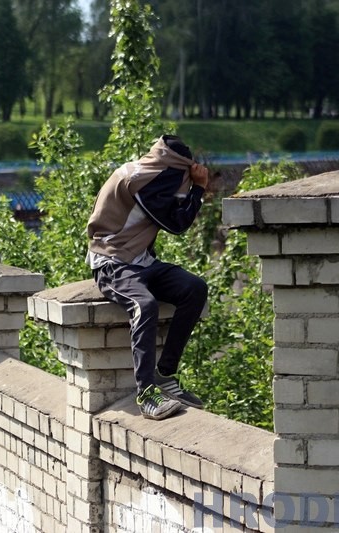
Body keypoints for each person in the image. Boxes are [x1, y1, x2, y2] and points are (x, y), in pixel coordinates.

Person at [86, 135, 209, 420]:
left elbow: (171, 212)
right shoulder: (142, 179)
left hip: (141, 260)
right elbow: (177, 223)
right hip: (111, 262)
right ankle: (146, 392)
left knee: (194, 288)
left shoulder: (154, 172)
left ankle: (165, 375)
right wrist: (198, 190)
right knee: (145, 305)